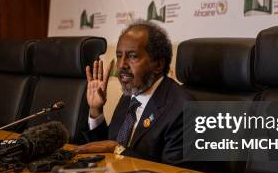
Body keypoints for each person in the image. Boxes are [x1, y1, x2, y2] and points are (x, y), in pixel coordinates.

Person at [77, 20, 194, 164]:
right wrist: (96, 110)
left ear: (158, 64)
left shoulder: (183, 108)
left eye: (132, 56)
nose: (121, 65)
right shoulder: (130, 96)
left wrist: (118, 149)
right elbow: (104, 147)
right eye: (119, 56)